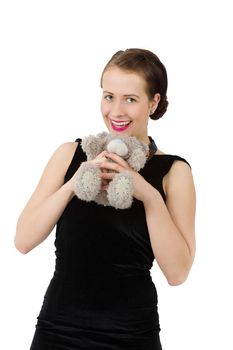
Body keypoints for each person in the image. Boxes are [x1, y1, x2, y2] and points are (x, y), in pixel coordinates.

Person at [15, 48, 196, 349]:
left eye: (131, 99)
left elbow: (177, 273)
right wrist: (74, 183)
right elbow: (23, 240)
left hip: (132, 336)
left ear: (154, 102)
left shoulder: (173, 172)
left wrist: (148, 195)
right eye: (109, 96)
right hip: (57, 330)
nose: (116, 111)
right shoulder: (69, 155)